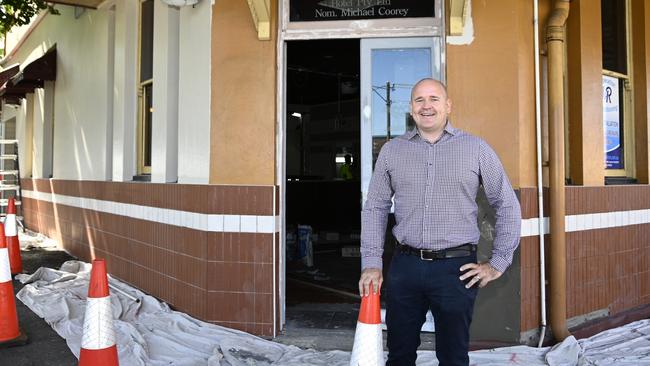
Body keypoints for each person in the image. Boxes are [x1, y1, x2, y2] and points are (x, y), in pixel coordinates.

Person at [358, 78, 521, 366]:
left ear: (448, 106)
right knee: (399, 353)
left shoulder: (476, 148)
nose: (426, 106)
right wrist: (371, 262)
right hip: (405, 267)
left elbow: (506, 204)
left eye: (434, 99)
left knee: (453, 357)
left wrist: (498, 262)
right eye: (419, 100)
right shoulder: (392, 151)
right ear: (411, 109)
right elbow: (375, 208)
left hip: (456, 269)